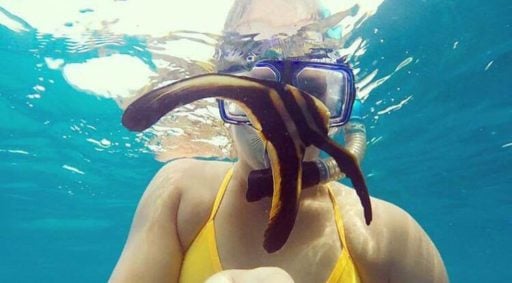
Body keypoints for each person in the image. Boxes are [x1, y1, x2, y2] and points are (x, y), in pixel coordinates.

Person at [109, 1, 448, 282]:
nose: (283, 123)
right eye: (258, 85)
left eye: (313, 89)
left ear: (342, 104)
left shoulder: (393, 237)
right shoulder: (178, 193)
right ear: (224, 96)